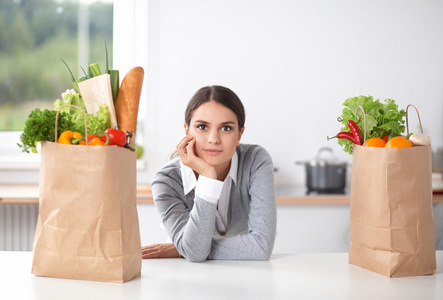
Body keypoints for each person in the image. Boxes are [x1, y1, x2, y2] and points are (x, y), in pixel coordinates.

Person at [142, 85, 277, 262]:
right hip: (183, 267)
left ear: (240, 134)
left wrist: (183, 249)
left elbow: (260, 248)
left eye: (226, 128)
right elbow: (195, 254)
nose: (213, 138)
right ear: (187, 130)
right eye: (202, 126)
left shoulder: (256, 160)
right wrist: (208, 178)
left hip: (239, 267)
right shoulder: (166, 181)